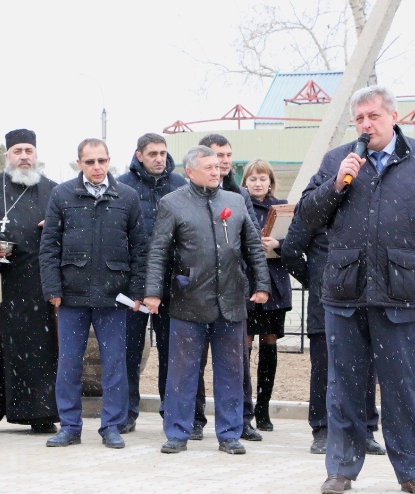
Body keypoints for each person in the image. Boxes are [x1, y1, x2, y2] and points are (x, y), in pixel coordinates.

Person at [296, 86, 415, 494]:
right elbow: (308, 214)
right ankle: (342, 468)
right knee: (343, 386)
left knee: (403, 387)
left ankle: (412, 470)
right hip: (345, 293)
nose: (366, 125)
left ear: (393, 117)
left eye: (373, 116)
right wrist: (338, 184)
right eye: (359, 118)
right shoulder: (337, 161)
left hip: (401, 293)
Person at [144, 145, 270, 455]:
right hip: (188, 300)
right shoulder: (172, 204)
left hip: (231, 300)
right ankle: (177, 432)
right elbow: (159, 250)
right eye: (209, 167)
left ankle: (229, 434)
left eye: (218, 166)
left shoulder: (235, 201)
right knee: (182, 372)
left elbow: (253, 247)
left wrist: (262, 284)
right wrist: (153, 291)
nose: (216, 171)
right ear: (190, 172)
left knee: (230, 370)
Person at [39, 138, 147, 450]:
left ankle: (111, 426)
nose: (97, 167)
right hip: (71, 296)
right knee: (68, 363)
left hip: (114, 297)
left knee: (115, 363)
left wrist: (137, 291)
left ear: (109, 160)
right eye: (90, 162)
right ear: (79, 164)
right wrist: (53, 289)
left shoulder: (127, 197)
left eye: (102, 161)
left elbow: (140, 248)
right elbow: (49, 247)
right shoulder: (62, 195)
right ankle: (70, 427)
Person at [0, 129, 58, 435]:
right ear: (7, 156)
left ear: (36, 154)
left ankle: (40, 413)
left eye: (29, 150)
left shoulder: (54, 192)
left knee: (39, 351)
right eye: (17, 151)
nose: (24, 156)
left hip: (37, 287)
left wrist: (55, 227)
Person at [281, 217, 385, 455]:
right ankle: (322, 429)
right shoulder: (317, 206)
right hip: (325, 303)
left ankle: (365, 430)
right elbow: (290, 252)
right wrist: (316, 280)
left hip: (363, 298)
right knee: (324, 369)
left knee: (366, 368)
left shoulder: (365, 207)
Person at [116, 133, 186, 433]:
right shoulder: (122, 187)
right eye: (153, 153)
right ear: (139, 155)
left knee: (172, 352)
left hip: (172, 285)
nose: (159, 158)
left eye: (163, 152)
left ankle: (170, 410)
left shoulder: (180, 185)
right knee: (128, 351)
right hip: (133, 284)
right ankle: (127, 412)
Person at [194, 134, 262, 443]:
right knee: (193, 360)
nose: (224, 161)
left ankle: (242, 420)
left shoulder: (238, 195)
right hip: (195, 291)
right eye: (218, 155)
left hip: (233, 289)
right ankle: (194, 419)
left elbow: (251, 241)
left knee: (237, 361)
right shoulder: (186, 193)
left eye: (228, 155)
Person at [239, 159, 292, 431]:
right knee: (243, 346)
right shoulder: (238, 205)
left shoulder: (282, 209)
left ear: (270, 182)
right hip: (246, 284)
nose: (258, 183)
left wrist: (278, 244)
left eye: (263, 179)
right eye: (252, 179)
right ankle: (243, 407)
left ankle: (263, 408)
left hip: (275, 283)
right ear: (244, 182)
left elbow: (295, 242)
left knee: (269, 344)